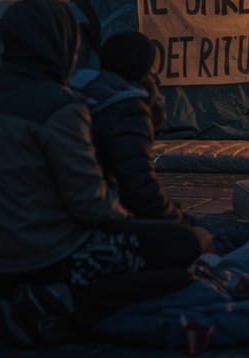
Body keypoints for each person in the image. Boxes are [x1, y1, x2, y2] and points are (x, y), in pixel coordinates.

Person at [0, 0, 204, 346]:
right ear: (62, 43)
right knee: (184, 250)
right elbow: (91, 207)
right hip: (40, 258)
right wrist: (147, 223)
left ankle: (11, 304)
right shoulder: (60, 107)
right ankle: (50, 306)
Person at [71, 30, 193, 225]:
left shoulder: (84, 91)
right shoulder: (126, 107)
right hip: (93, 214)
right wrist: (179, 223)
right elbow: (138, 187)